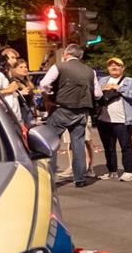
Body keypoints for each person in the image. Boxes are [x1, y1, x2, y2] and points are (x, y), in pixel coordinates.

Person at [40, 44, 102, 187]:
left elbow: (44, 84)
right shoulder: (90, 71)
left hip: (61, 110)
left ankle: (49, 178)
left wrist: (50, 95)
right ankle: (79, 179)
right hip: (81, 112)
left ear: (66, 54)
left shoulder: (59, 67)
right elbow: (98, 94)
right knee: (78, 144)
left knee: (51, 143)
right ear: (80, 56)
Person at [95, 57, 132, 182]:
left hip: (123, 120)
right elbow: (94, 94)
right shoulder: (102, 80)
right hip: (104, 120)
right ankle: (112, 171)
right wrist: (101, 89)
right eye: (111, 65)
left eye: (117, 65)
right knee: (108, 147)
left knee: (126, 146)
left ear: (123, 68)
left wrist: (119, 88)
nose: (114, 67)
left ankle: (128, 172)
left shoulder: (130, 81)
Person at [9, 57, 38, 127]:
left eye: (25, 67)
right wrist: (21, 93)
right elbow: (8, 95)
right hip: (20, 110)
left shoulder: (27, 82)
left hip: (29, 109)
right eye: (21, 67)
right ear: (14, 70)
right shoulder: (12, 81)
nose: (24, 69)